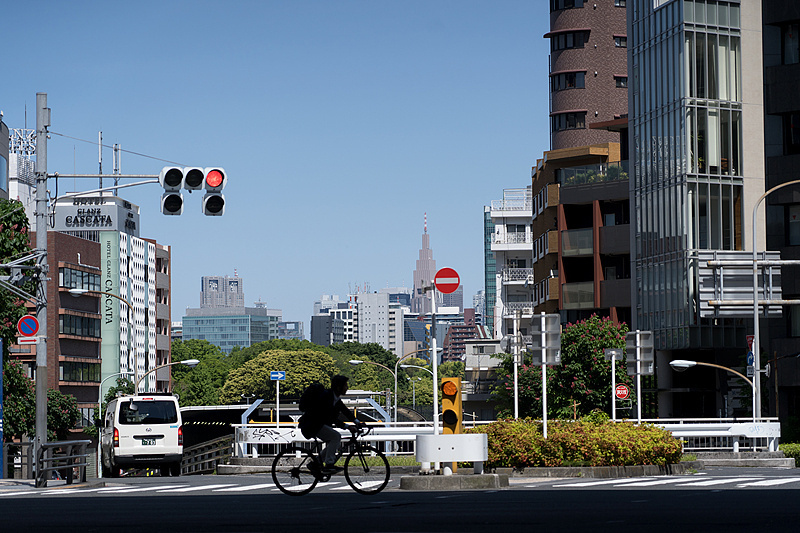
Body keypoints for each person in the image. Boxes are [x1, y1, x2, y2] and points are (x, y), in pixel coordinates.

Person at [298, 375, 364, 474]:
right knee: (336, 437)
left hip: (317, 425)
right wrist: (348, 427)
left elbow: (346, 411)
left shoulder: (335, 398)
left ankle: (316, 463)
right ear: (338, 387)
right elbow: (332, 418)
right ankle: (329, 464)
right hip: (312, 425)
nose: (347, 388)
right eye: (345, 386)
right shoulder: (326, 398)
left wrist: (358, 422)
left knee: (334, 440)